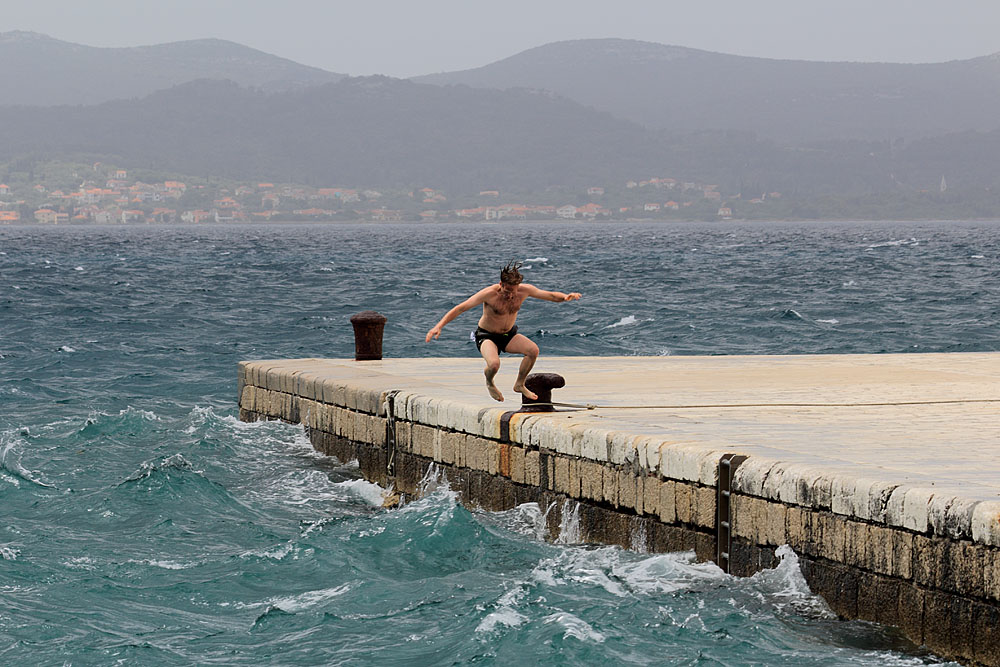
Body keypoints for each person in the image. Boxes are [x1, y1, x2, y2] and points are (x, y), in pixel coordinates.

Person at [425, 261, 581, 402]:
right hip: (487, 336)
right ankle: (490, 382)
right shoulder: (489, 294)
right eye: (507, 291)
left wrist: (565, 297)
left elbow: (550, 296)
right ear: (501, 284)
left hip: (508, 335)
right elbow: (461, 308)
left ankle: (519, 384)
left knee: (533, 350)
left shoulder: (523, 291)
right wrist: (439, 326)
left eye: (513, 291)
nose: (510, 295)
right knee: (494, 364)